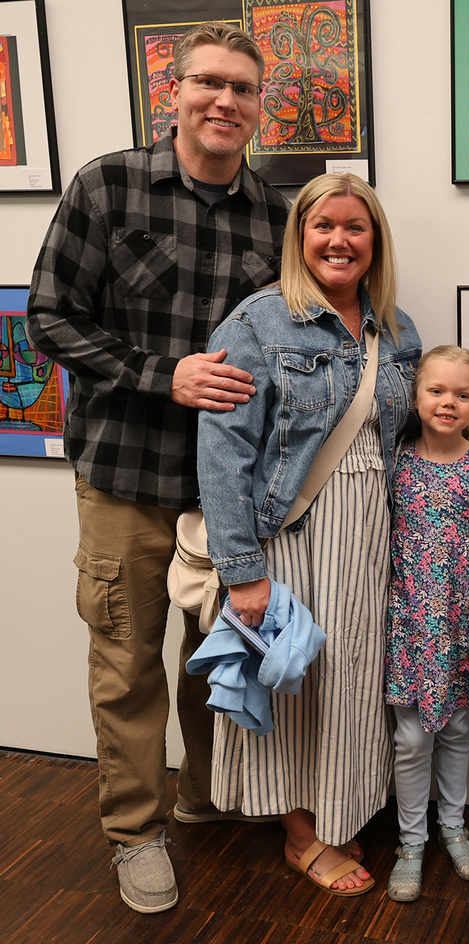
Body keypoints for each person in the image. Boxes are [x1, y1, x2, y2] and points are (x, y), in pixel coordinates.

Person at [25, 22, 290, 914]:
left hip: (234, 493)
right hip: (127, 481)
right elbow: (50, 318)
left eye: (243, 88)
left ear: (262, 106)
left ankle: (206, 796)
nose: (224, 101)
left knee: (214, 662)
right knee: (129, 663)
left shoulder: (276, 216)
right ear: (170, 92)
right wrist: (159, 375)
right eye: (208, 83)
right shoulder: (109, 185)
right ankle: (136, 834)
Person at [196, 172, 421, 897]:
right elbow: (224, 449)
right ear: (300, 237)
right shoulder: (258, 322)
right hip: (291, 535)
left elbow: (417, 444)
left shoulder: (398, 329)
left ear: (374, 242)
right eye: (324, 225)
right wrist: (241, 569)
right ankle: (300, 834)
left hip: (371, 536)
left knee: (351, 678)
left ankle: (340, 805)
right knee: (294, 681)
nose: (339, 240)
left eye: (356, 227)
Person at [383, 345, 469, 902]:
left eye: (463, 395)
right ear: (416, 395)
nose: (448, 402)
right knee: (412, 738)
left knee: (457, 729)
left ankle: (453, 829)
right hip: (409, 622)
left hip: (464, 622)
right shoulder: (395, 461)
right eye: (437, 390)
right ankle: (410, 843)